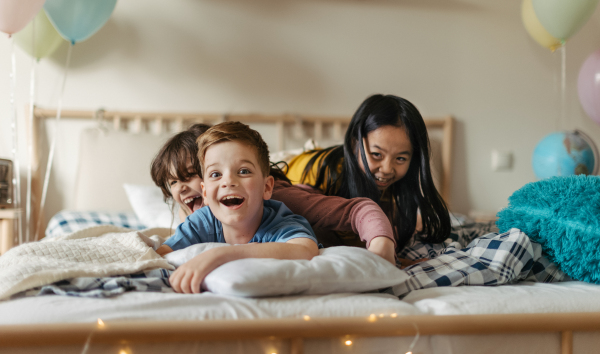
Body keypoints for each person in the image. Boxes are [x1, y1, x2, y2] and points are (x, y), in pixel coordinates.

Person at [150, 127, 399, 265]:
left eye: (189, 175)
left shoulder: (278, 201)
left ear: (265, 186)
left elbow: (356, 211)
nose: (181, 188)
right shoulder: (199, 216)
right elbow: (164, 251)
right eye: (173, 182)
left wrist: (381, 245)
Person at [155, 121, 320, 294]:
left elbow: (305, 249)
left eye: (243, 171)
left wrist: (219, 255)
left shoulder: (278, 222)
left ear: (267, 187)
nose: (228, 181)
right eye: (216, 174)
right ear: (205, 192)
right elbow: (161, 254)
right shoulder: (201, 221)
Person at [285, 94, 451, 256]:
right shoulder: (322, 172)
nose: (387, 168)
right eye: (376, 154)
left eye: (400, 158)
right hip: (292, 182)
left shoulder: (393, 187)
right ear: (353, 144)